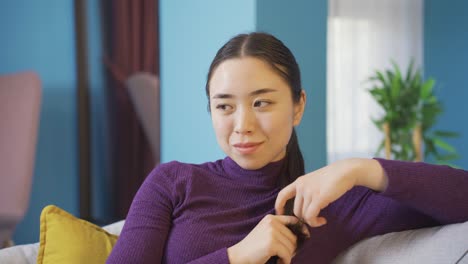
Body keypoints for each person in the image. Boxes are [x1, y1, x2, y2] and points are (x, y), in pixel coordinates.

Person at [106, 32, 468, 264]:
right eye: (225, 106)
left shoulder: (333, 205)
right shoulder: (172, 182)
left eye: (262, 103)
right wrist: (236, 257)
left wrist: (361, 169)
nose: (243, 124)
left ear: (298, 106)